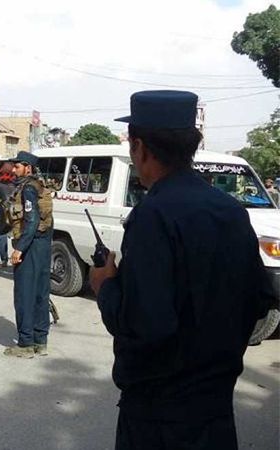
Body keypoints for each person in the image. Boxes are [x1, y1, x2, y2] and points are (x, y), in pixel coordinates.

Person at [89, 90, 273, 450]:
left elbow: (146, 326)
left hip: (159, 417)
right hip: (216, 410)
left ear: (139, 147)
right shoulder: (231, 210)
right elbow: (260, 299)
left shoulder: (153, 216)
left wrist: (105, 286)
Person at [3, 151, 53, 358]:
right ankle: (41, 341)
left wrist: (19, 248)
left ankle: (25, 344)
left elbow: (31, 221)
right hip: (43, 245)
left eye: (17, 166)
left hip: (31, 246)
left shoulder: (28, 189)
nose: (13, 170)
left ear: (28, 168)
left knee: (24, 295)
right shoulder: (39, 186)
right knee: (41, 294)